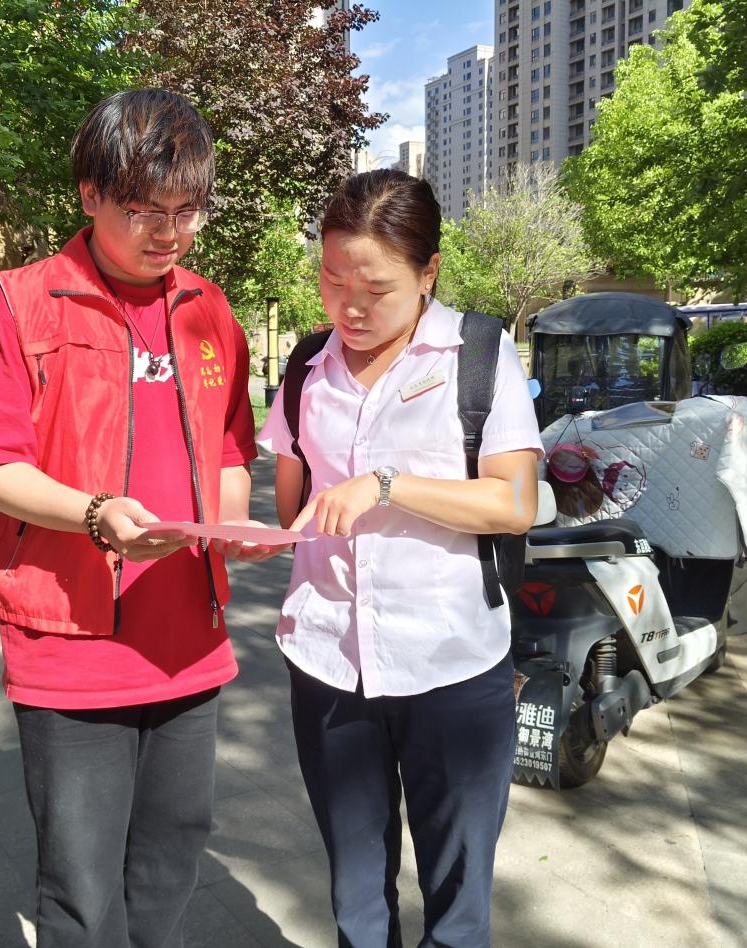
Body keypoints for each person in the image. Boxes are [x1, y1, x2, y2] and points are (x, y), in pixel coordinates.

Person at [0, 88, 285, 947]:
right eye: (144, 210)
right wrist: (95, 514)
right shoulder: (22, 305)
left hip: (189, 643)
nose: (169, 232)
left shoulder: (208, 308)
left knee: (174, 854)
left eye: (187, 210)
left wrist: (233, 528)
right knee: (82, 886)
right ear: (90, 194)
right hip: (71, 645)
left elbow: (230, 447)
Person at [257, 169, 543, 947]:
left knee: (458, 896)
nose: (348, 306)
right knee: (356, 892)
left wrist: (387, 485)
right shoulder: (306, 368)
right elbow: (292, 509)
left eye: (375, 288)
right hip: (329, 661)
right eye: (331, 279)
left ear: (428, 272)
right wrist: (250, 536)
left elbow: (513, 503)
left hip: (452, 662)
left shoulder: (478, 354)